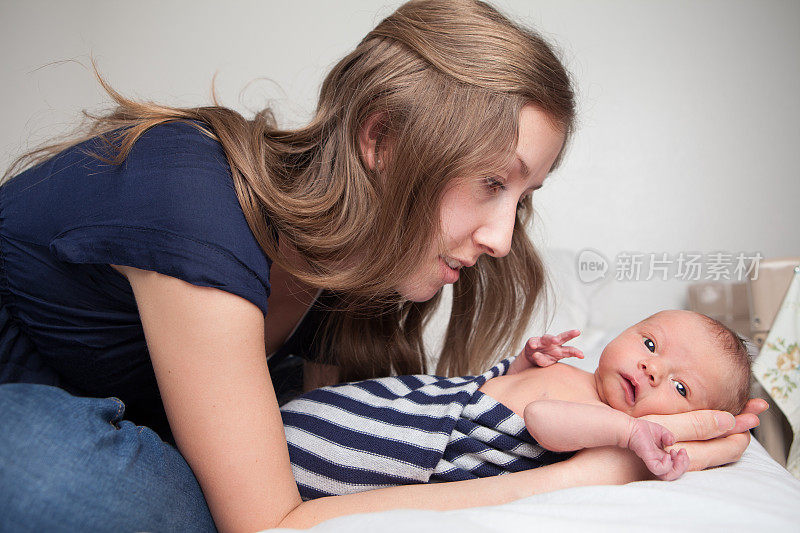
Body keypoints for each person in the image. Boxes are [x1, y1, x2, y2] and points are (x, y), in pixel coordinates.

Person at [0, 1, 763, 531]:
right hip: (27, 392)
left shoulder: (350, 280)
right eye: (492, 181)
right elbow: (270, 520)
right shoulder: (194, 198)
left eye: (523, 194)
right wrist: (591, 474)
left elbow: (336, 465)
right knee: (49, 475)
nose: (503, 235)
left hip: (127, 410)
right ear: (382, 139)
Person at [281, 310, 753, 499]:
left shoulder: (609, 424)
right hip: (427, 400)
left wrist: (628, 434)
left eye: (681, 387)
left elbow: (541, 419)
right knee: (313, 416)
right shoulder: (582, 379)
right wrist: (526, 363)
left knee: (312, 455)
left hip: (424, 440)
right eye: (650, 344)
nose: (653, 370)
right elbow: (507, 392)